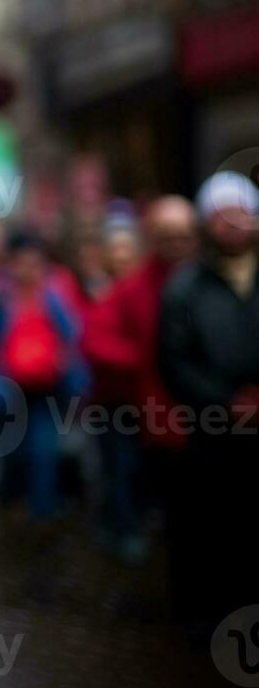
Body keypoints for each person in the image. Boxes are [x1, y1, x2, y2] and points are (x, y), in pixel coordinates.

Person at [159, 172, 259, 640]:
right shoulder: (184, 287)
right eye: (221, 216)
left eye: (241, 213)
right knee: (209, 524)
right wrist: (225, 401)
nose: (232, 224)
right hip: (212, 431)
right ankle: (207, 617)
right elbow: (174, 360)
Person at [81, 197, 197, 560]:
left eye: (183, 236)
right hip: (128, 403)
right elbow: (94, 338)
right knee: (124, 471)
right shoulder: (133, 287)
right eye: (167, 236)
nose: (176, 244)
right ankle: (123, 527)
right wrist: (142, 361)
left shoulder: (202, 279)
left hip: (190, 404)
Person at [0, 230, 83, 520]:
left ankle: (41, 507)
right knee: (13, 450)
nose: (27, 270)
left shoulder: (53, 294)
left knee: (43, 450)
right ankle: (11, 496)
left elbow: (73, 334)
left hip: (45, 387)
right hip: (7, 388)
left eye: (34, 263)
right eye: (21, 263)